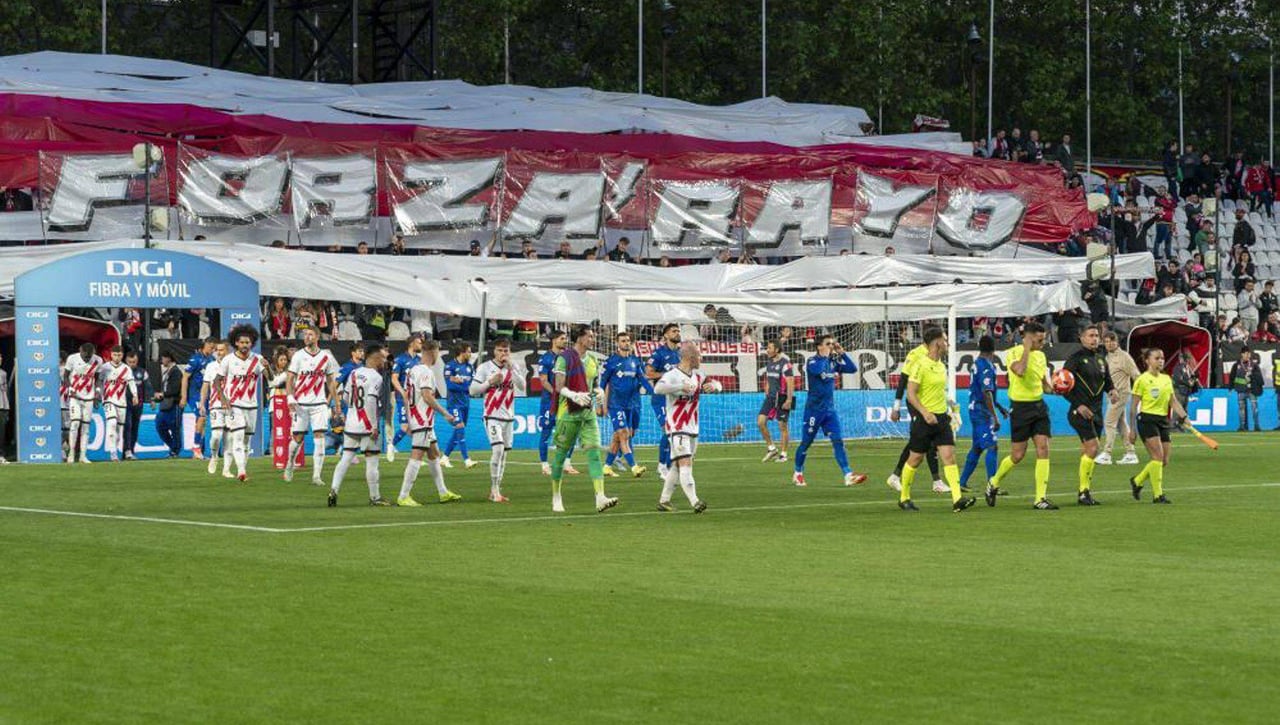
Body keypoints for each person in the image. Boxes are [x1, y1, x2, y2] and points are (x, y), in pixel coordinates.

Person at [897, 326, 976, 512]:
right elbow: (911, 393)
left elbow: (939, 392)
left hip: (941, 418)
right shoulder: (920, 365)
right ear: (938, 343)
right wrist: (924, 413)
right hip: (924, 419)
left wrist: (950, 410)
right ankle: (904, 497)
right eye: (946, 340)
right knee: (915, 458)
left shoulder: (941, 366)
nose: (948, 344)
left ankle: (957, 499)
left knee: (949, 456)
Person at [985, 321, 1058, 510]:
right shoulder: (1013, 353)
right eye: (1039, 340)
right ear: (1028, 337)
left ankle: (1040, 498)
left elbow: (1044, 384)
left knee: (1043, 448)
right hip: (1020, 409)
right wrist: (1026, 349)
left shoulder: (1041, 356)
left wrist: (1056, 388)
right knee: (1017, 455)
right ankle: (993, 482)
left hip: (1039, 407)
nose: (1042, 344)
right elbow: (1020, 370)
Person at [549, 326, 618, 513]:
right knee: (561, 456)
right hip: (568, 413)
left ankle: (600, 497)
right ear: (579, 338)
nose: (593, 339)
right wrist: (573, 395)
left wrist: (599, 391)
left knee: (594, 453)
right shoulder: (564, 358)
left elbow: (595, 383)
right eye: (590, 336)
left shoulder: (593, 359)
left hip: (588, 412)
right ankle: (556, 496)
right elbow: (558, 386)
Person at [792, 334, 868, 488]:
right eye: (828, 344)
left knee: (838, 441)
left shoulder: (832, 361)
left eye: (832, 344)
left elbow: (852, 369)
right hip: (814, 410)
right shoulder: (813, 361)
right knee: (806, 443)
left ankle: (848, 475)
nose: (831, 346)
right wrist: (827, 357)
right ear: (819, 346)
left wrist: (842, 353)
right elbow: (819, 370)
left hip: (829, 411)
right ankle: (798, 473)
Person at [653, 342, 720, 513]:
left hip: (693, 428)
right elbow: (658, 388)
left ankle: (664, 501)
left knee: (677, 465)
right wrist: (680, 387)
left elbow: (717, 384)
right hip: (677, 427)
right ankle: (695, 501)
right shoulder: (673, 375)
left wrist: (714, 387)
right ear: (689, 357)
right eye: (698, 355)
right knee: (685, 463)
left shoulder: (698, 375)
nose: (701, 358)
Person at [399, 339, 463, 506]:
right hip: (423, 420)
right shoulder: (426, 372)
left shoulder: (412, 370)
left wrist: (407, 419)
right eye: (437, 352)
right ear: (433, 352)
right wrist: (445, 414)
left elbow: (406, 396)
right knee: (417, 456)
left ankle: (443, 492)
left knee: (434, 453)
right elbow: (427, 396)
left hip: (417, 418)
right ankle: (403, 495)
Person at [328, 344, 392, 507]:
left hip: (351, 423)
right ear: (375, 358)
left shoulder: (354, 373)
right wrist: (373, 426)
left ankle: (333, 490)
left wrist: (354, 410)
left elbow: (346, 398)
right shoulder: (376, 377)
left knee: (346, 458)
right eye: (382, 357)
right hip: (367, 425)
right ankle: (374, 497)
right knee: (372, 460)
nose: (384, 361)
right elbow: (370, 400)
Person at [1062, 325, 1115, 506]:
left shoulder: (1101, 359)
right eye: (1091, 335)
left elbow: (1107, 380)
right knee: (1093, 448)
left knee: (1089, 451)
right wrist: (1079, 404)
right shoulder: (1074, 360)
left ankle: (1085, 491)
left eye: (1096, 336)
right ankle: (1083, 492)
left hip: (1097, 412)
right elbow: (1062, 386)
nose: (1094, 339)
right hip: (1080, 412)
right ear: (1082, 338)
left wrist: (1112, 391)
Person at [470, 337, 527, 502]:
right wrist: (489, 382)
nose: (503, 353)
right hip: (492, 415)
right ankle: (494, 490)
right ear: (494, 351)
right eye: (500, 350)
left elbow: (523, 386)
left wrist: (512, 370)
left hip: (508, 417)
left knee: (504, 455)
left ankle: (496, 490)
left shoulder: (513, 366)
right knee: (498, 450)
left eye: (506, 350)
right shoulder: (485, 367)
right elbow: (473, 390)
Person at [1128, 348, 1189, 504]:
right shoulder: (1142, 380)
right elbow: (1133, 407)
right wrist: (1132, 430)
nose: (1161, 360)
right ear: (1148, 360)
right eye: (1157, 358)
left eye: (1162, 358)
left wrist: (1184, 416)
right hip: (1147, 420)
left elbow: (1173, 401)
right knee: (1157, 457)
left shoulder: (1166, 379)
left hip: (1162, 420)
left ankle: (1137, 480)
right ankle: (1158, 495)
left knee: (1164, 461)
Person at [283, 329, 341, 485]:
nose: (306, 337)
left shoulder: (325, 357)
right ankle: (290, 463)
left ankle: (316, 476)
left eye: (310, 334)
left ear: (317, 337)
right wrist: (290, 398)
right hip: (300, 404)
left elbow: (330, 381)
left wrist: (336, 403)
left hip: (319, 404)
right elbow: (290, 379)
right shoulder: (298, 356)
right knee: (298, 438)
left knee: (319, 438)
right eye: (305, 335)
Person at [212, 324, 269, 482]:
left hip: (252, 405)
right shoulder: (228, 360)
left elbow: (270, 378)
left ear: (252, 343)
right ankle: (241, 471)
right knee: (237, 436)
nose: (245, 345)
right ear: (236, 343)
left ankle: (242, 468)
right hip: (234, 404)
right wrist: (223, 399)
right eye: (242, 342)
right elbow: (217, 382)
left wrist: (268, 367)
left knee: (246, 440)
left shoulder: (257, 359)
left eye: (247, 342)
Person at [888, 341, 944, 494]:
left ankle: (896, 476)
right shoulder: (915, 354)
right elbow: (903, 380)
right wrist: (896, 407)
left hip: (930, 404)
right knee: (925, 439)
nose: (945, 343)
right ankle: (936, 481)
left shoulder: (937, 357)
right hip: (916, 403)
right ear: (934, 340)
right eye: (943, 338)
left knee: (921, 440)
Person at [959, 335, 1008, 492]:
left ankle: (962, 482)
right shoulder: (986, 366)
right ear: (994, 349)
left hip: (976, 408)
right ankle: (992, 485)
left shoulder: (977, 364)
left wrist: (999, 407)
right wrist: (995, 417)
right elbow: (986, 393)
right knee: (992, 446)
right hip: (982, 411)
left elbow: (987, 393)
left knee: (977, 447)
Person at [601, 330, 649, 478]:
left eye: (628, 340)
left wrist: (655, 392)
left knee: (621, 435)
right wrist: (599, 404)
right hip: (616, 405)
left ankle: (607, 466)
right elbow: (602, 384)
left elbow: (643, 380)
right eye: (623, 341)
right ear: (617, 343)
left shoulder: (635, 361)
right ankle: (634, 467)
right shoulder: (611, 362)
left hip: (633, 404)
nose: (626, 343)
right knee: (623, 433)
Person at [537, 330, 578, 476]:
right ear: (554, 340)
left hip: (566, 402)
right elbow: (543, 380)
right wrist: (556, 393)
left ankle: (567, 463)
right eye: (562, 338)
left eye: (565, 338)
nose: (565, 341)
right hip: (550, 402)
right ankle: (544, 465)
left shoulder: (568, 357)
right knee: (546, 433)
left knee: (571, 433)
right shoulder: (546, 358)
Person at [1097, 332, 1141, 465]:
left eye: (1112, 341)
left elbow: (1136, 375)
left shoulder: (1124, 357)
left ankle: (1107, 453)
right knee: (1121, 424)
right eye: (1106, 341)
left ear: (1117, 342)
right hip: (1112, 394)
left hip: (1121, 393)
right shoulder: (1107, 357)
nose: (1109, 344)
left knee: (1109, 422)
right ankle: (1130, 453)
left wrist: (1140, 393)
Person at [646, 323, 684, 479]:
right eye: (674, 331)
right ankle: (662, 466)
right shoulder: (658, 354)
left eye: (678, 331)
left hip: (676, 399)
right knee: (668, 430)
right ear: (666, 335)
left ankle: (669, 465)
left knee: (675, 432)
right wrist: (667, 376)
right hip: (660, 398)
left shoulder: (681, 354)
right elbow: (649, 373)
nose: (677, 333)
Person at [63, 342, 102, 464]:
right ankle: (71, 453)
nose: (87, 359)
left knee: (86, 427)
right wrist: (69, 388)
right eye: (85, 356)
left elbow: (98, 379)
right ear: (80, 350)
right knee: (74, 424)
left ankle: (83, 456)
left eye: (89, 357)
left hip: (89, 397)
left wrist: (97, 393)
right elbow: (65, 376)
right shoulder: (72, 358)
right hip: (75, 396)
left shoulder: (98, 360)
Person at [757, 340, 796, 463]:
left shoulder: (785, 364)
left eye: (769, 348)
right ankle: (772, 448)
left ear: (777, 350)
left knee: (782, 426)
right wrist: (767, 390)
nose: (767, 350)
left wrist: (789, 399)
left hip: (783, 397)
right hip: (770, 398)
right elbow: (769, 380)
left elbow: (790, 382)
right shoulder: (769, 364)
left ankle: (783, 454)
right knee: (760, 422)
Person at [440, 341, 476, 468]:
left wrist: (459, 382)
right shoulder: (450, 366)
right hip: (453, 403)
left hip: (466, 402)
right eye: (469, 351)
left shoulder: (470, 367)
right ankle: (467, 460)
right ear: (462, 352)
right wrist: (462, 385)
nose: (471, 354)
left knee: (459, 430)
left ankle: (444, 457)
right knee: (460, 427)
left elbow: (472, 386)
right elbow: (450, 386)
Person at [98, 345, 136, 463]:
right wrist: (98, 393)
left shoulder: (126, 369)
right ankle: (113, 453)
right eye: (115, 355)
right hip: (108, 400)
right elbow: (99, 381)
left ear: (122, 355)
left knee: (119, 431)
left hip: (122, 402)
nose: (117, 357)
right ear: (111, 355)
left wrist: (135, 395)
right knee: (112, 422)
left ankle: (115, 450)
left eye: (119, 355)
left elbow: (131, 382)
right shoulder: (104, 367)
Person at [181, 337, 217, 460]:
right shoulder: (195, 359)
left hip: (206, 395)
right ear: (205, 345)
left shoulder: (212, 360)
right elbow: (185, 377)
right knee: (202, 417)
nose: (212, 349)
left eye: (214, 348)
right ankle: (196, 447)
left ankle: (198, 451)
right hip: (194, 394)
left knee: (202, 421)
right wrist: (184, 396)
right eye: (210, 346)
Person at [389, 333, 425, 456]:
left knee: (413, 428)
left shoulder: (419, 361)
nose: (421, 344)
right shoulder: (400, 359)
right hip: (402, 398)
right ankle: (391, 446)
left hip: (415, 399)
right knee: (405, 427)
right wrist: (402, 392)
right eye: (419, 342)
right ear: (412, 343)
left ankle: (418, 451)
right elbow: (394, 379)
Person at [199, 340, 231, 477]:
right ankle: (214, 456)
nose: (219, 352)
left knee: (229, 439)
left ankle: (226, 469)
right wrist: (201, 403)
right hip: (215, 405)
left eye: (222, 349)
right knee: (216, 436)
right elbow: (205, 386)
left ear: (227, 351)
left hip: (232, 407)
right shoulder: (211, 366)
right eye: (217, 350)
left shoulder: (234, 365)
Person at [154, 351, 183, 458]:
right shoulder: (168, 371)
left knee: (175, 428)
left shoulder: (176, 372)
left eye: (163, 358)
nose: (162, 360)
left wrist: (162, 394)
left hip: (174, 404)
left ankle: (175, 450)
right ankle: (173, 447)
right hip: (165, 404)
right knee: (159, 425)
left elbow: (175, 389)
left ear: (169, 359)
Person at [122, 350, 150, 461]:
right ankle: (127, 450)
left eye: (134, 362)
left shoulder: (142, 372)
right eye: (130, 362)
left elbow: (148, 387)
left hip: (138, 404)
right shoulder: (122, 371)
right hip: (124, 403)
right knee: (127, 426)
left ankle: (131, 451)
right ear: (126, 361)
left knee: (134, 428)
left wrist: (151, 399)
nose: (132, 364)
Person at [1228, 347, 1264, 432]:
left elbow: (1260, 377)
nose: (1247, 355)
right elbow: (1232, 377)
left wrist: (1258, 385)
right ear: (1242, 354)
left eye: (1249, 353)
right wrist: (1230, 387)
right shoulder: (1236, 365)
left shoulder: (1254, 365)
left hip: (1252, 390)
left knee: (1254, 408)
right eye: (1245, 353)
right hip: (1241, 390)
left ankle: (1257, 426)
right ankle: (1242, 426)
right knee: (1241, 409)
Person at [1171, 350, 1200, 418]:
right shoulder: (1178, 367)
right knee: (1178, 411)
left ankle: (1181, 426)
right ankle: (1175, 426)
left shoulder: (1186, 368)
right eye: (1187, 359)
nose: (1188, 360)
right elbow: (1177, 379)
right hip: (1179, 392)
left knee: (1184, 411)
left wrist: (1194, 378)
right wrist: (1188, 382)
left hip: (1185, 392)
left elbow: (1188, 378)